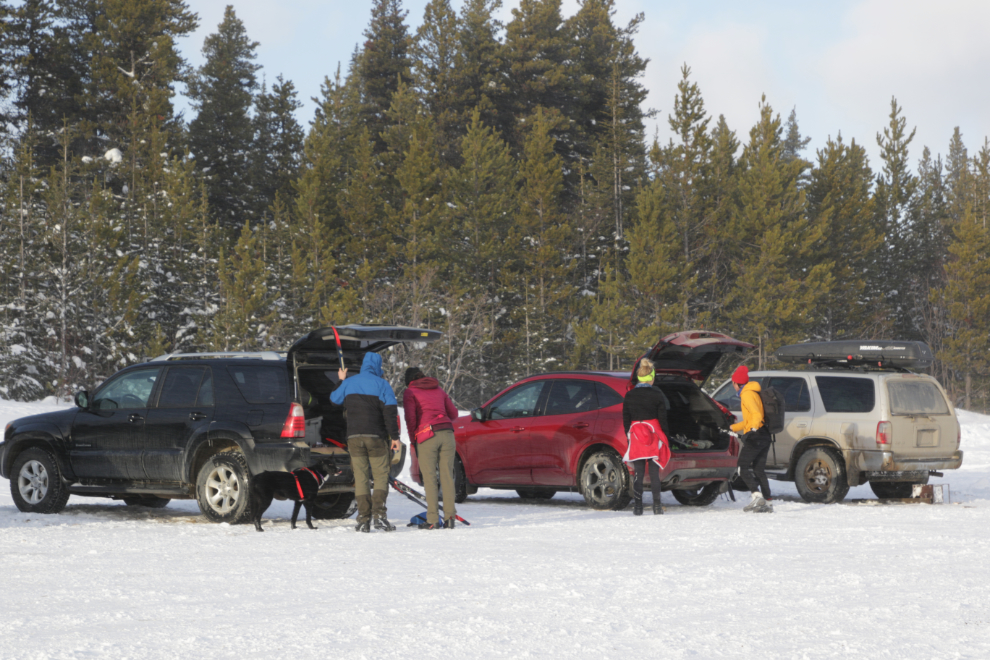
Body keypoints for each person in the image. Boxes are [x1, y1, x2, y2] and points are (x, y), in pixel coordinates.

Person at [330, 352, 402, 532]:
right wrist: (395, 437)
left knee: (361, 477)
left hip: (354, 438)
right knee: (380, 476)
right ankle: (379, 515)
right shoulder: (382, 384)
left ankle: (363, 519)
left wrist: (341, 380)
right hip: (376, 437)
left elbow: (334, 400)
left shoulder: (349, 382)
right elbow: (390, 413)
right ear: (378, 367)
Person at [402, 367, 459, 530]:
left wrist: (414, 440)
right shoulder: (438, 388)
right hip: (447, 433)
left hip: (427, 435)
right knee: (447, 476)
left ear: (408, 381)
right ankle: (449, 518)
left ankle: (433, 519)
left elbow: (411, 419)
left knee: (429, 477)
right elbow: (454, 414)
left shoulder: (410, 392)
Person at [622, 358, 672, 515]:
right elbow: (663, 419)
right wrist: (666, 436)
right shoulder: (657, 395)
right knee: (654, 473)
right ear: (651, 378)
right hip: (653, 434)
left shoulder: (630, 395)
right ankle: (657, 507)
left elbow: (625, 418)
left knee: (638, 472)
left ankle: (638, 507)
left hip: (636, 435)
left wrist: (628, 435)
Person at [730, 365, 773, 513]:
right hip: (764, 435)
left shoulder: (747, 395)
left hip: (756, 436)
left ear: (736, 383)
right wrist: (733, 428)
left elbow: (756, 416)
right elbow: (749, 420)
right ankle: (767, 502)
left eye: (732, 383)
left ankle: (757, 497)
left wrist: (752, 430)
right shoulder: (753, 392)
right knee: (758, 469)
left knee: (742, 467)